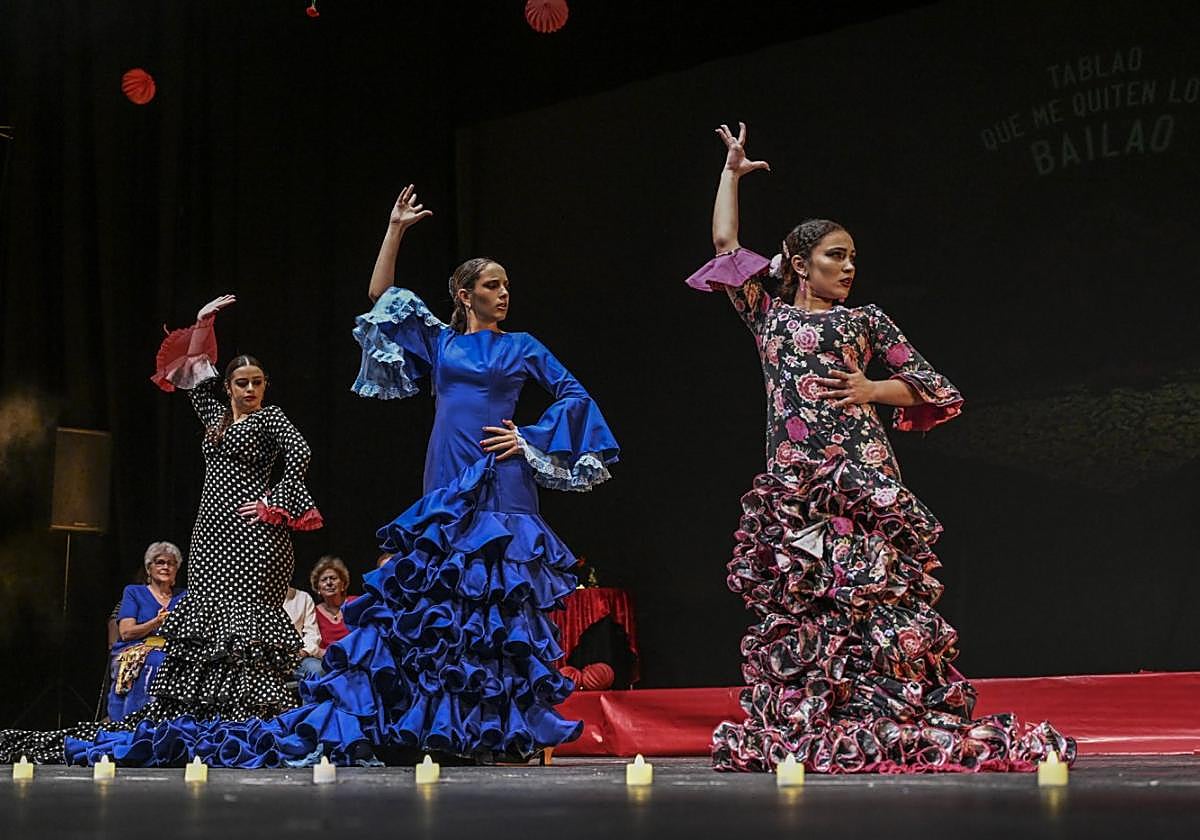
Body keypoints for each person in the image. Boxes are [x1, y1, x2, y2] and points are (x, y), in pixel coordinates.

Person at [689, 123, 1074, 773]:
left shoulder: (866, 321)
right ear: (801, 261)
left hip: (864, 482)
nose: (848, 267)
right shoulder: (771, 319)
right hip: (798, 485)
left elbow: (933, 388)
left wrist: (871, 385)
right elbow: (726, 245)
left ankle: (890, 712)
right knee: (812, 601)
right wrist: (730, 172)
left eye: (853, 258)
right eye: (836, 255)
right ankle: (829, 720)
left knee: (878, 595)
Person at [0, 295, 324, 764]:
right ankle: (208, 715)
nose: (250, 390)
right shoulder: (214, 419)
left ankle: (250, 720)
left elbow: (301, 453)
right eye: (242, 383)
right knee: (209, 621)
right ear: (230, 387)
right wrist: (200, 325)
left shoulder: (272, 419)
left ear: (265, 385)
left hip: (257, 537)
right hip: (211, 532)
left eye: (257, 382)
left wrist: (274, 502)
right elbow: (189, 373)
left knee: (247, 624)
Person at [309, 555, 356, 656]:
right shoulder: (312, 612)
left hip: (357, 659)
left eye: (333, 578)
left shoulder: (355, 603)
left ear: (343, 584)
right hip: (328, 663)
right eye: (324, 580)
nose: (329, 583)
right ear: (318, 588)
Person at [282, 584, 323, 682]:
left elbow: (312, 634)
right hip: (264, 659)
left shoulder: (303, 598)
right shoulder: (254, 598)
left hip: (297, 657)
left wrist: (302, 651)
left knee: (317, 669)